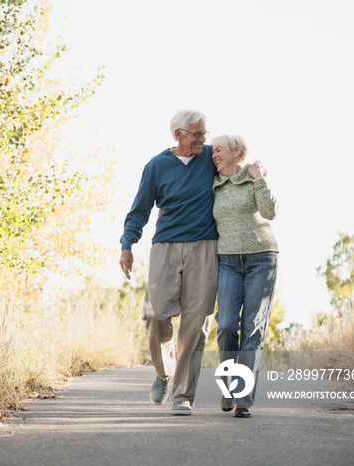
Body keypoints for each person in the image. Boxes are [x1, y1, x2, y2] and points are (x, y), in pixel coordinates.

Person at [119, 110, 218, 416]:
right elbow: (140, 208)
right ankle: (164, 373)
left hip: (204, 246)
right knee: (156, 314)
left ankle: (183, 395)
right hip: (165, 245)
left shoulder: (210, 157)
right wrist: (127, 244)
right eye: (197, 135)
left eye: (205, 133)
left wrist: (256, 167)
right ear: (179, 134)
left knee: (196, 322)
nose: (203, 140)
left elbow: (235, 158)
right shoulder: (157, 165)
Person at [211, 134, 279, 418]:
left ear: (236, 151)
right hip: (227, 261)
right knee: (226, 324)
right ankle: (228, 385)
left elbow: (270, 212)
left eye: (218, 149)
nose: (213, 154)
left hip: (262, 259)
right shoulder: (212, 184)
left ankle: (243, 398)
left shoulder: (252, 176)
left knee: (252, 327)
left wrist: (260, 178)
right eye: (212, 150)